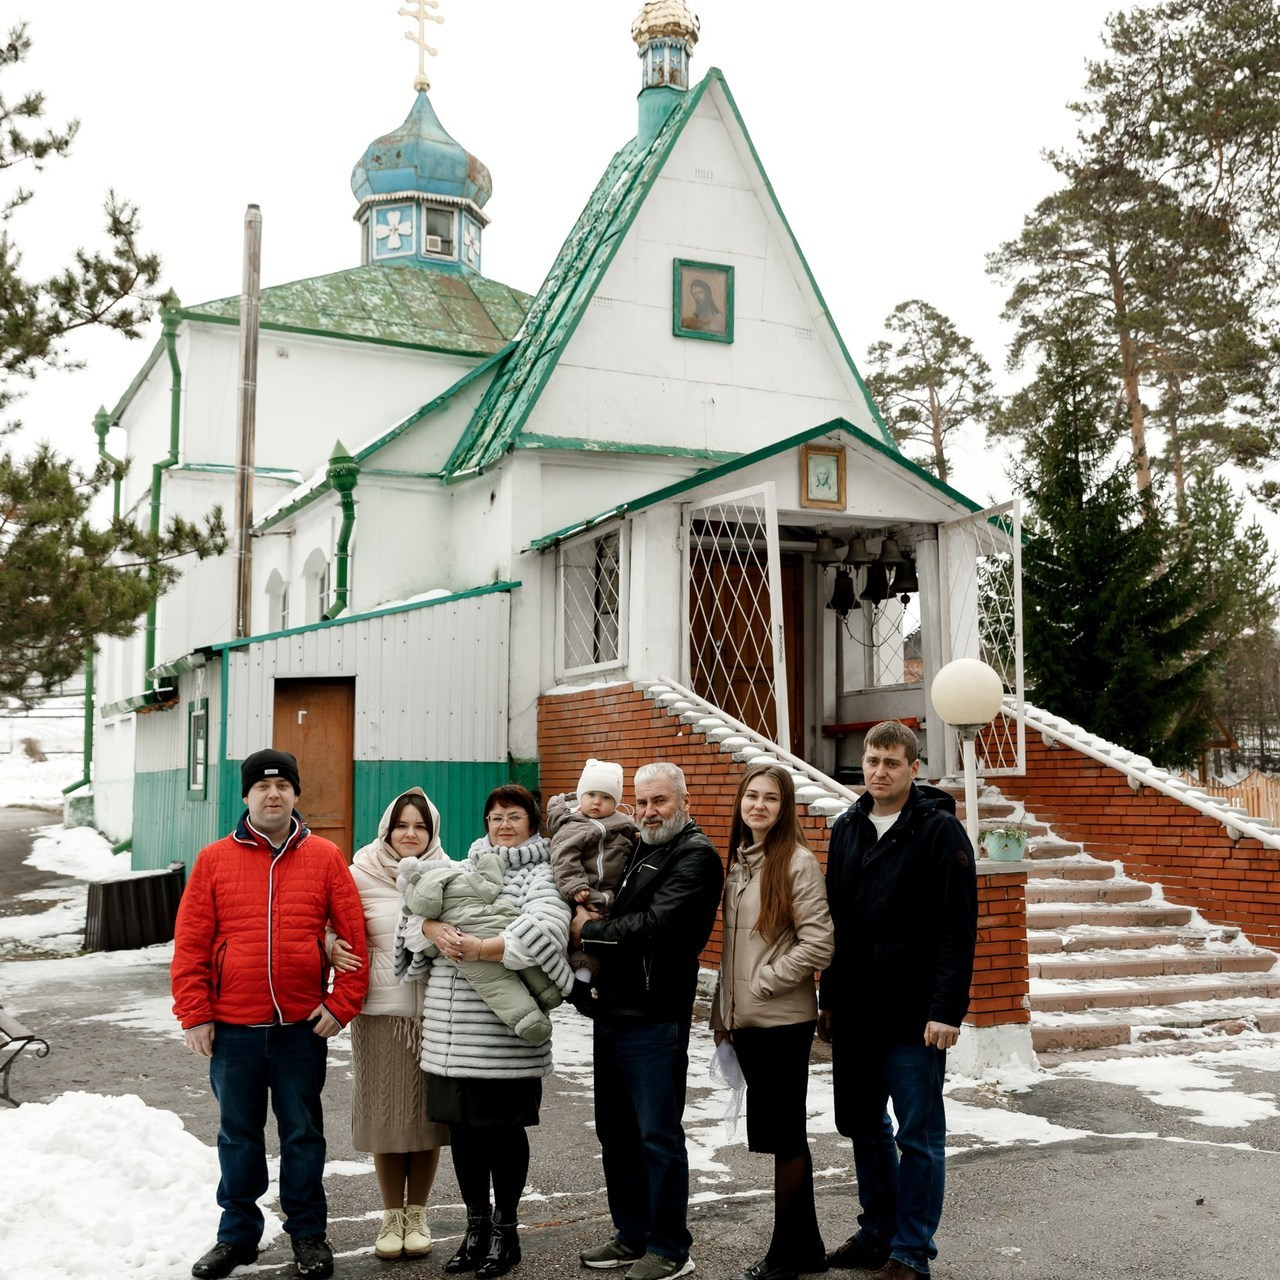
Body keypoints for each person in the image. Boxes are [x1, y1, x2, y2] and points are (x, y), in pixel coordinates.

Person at [172, 748, 369, 1280]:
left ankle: (308, 1234)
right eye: (262, 786)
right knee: (238, 1135)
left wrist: (341, 1003)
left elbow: (354, 937)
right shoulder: (214, 860)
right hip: (233, 1029)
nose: (273, 793)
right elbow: (190, 944)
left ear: (297, 794)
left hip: (300, 1030)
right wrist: (194, 1013)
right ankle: (236, 1236)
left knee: (303, 1133)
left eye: (283, 785)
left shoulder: (326, 856)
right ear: (246, 795)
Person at [818, 722, 977, 1280]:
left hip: (913, 1013)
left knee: (917, 1134)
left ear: (914, 768)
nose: (879, 771)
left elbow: (959, 928)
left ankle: (911, 1251)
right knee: (862, 1123)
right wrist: (829, 999)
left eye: (891, 762)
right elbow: (836, 919)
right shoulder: (847, 827)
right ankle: (877, 1232)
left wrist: (945, 1009)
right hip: (857, 1009)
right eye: (871, 760)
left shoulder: (939, 832)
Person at [395, 784, 573, 1280]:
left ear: (532, 822)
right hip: (449, 1036)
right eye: (494, 817)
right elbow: (410, 920)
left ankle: (505, 1230)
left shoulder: (542, 873)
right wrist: (430, 929)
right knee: (464, 1136)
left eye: (514, 816)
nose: (503, 825)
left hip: (502, 1039)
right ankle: (475, 1228)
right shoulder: (460, 866)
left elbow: (547, 930)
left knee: (503, 1134)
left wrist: (481, 947)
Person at [572, 762, 724, 1280]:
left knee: (658, 1135)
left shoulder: (695, 855)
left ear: (684, 801)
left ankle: (669, 1247)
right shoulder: (637, 845)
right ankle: (630, 1235)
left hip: (655, 1015)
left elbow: (659, 926)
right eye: (641, 802)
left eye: (659, 801)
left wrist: (591, 929)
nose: (649, 811)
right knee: (616, 1134)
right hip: (612, 1009)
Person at [711, 763, 835, 1280]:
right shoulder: (739, 864)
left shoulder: (795, 863)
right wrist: (723, 1011)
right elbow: (730, 951)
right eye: (752, 796)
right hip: (747, 1023)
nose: (758, 805)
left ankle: (791, 1254)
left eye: (771, 799)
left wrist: (763, 983)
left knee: (785, 1138)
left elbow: (820, 942)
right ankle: (805, 1248)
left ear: (785, 810)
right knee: (778, 1136)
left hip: (782, 1023)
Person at [328, 789, 451, 1262]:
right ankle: (390, 1215)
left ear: (431, 832)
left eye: (420, 826)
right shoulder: (358, 875)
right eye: (402, 825)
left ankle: (417, 1213)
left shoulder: (448, 872)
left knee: (427, 1122)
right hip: (380, 1015)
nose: (411, 834)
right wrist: (330, 944)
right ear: (387, 829)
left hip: (436, 1017)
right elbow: (330, 922)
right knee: (386, 1119)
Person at [546, 758, 637, 982]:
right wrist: (574, 885)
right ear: (580, 796)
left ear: (616, 802)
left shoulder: (622, 823)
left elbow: (633, 840)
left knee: (605, 935)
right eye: (591, 795)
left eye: (606, 797)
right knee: (582, 932)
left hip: (610, 893)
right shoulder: (574, 824)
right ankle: (580, 974)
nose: (597, 802)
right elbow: (563, 856)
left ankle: (592, 974)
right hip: (583, 892)